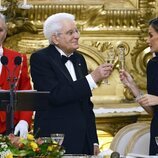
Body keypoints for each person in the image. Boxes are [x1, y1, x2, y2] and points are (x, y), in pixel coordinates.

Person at [30, 12, 113, 155]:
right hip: (55, 140)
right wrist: (92, 78)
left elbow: (86, 104)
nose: (77, 36)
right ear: (55, 38)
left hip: (83, 140)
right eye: (70, 32)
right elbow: (55, 95)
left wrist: (93, 140)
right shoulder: (40, 59)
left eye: (76, 30)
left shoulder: (79, 59)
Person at [120, 17, 158, 155]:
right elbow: (154, 113)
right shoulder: (153, 65)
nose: (147, 41)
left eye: (151, 35)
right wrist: (133, 87)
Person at [0, 13, 33, 138]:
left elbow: (25, 92)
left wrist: (24, 120)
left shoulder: (18, 58)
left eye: (0, 30)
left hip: (11, 129)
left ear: (6, 32)